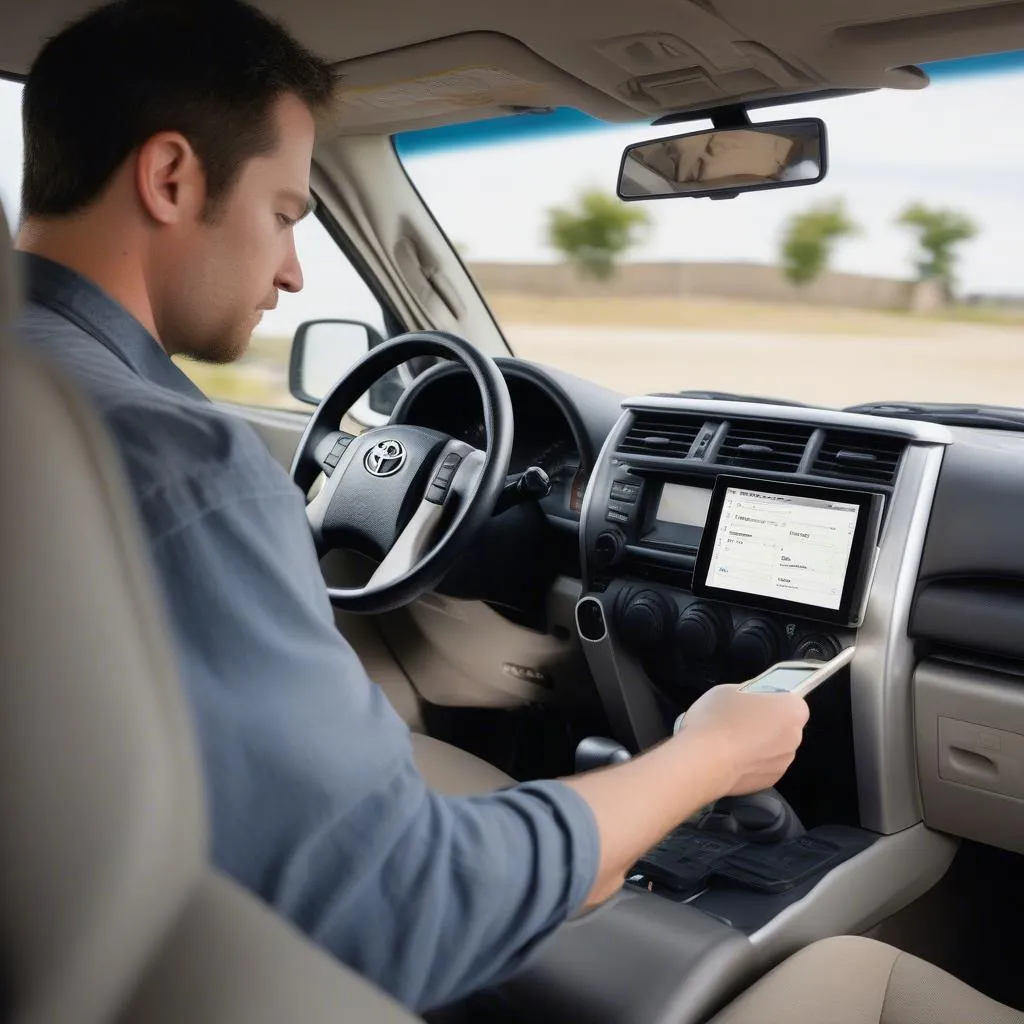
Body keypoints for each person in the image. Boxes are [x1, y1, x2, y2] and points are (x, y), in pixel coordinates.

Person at [15, 0, 809, 1013]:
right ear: (170, 178)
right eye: (287, 214)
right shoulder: (181, 461)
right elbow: (404, 907)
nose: (294, 270)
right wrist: (711, 755)